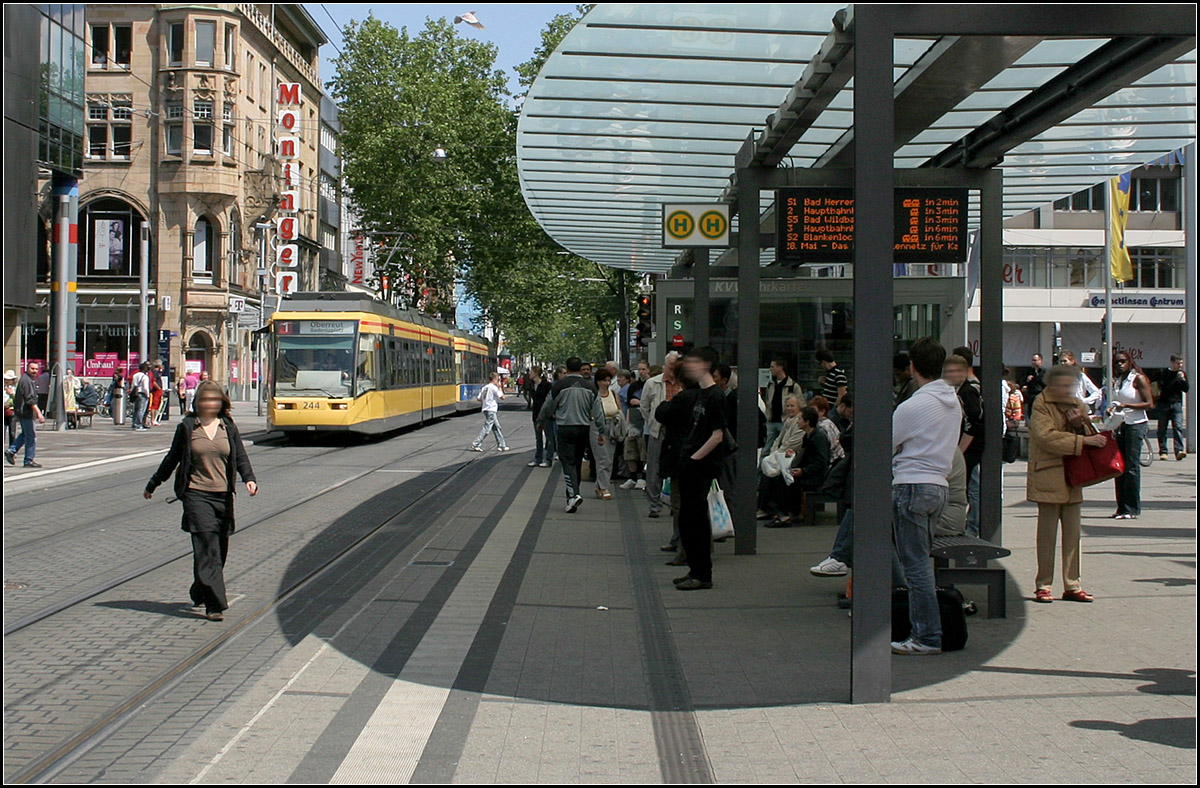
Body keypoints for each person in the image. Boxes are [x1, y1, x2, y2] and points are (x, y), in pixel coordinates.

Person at [143, 381, 258, 621]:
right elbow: (172, 458)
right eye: (205, 400)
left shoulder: (227, 426)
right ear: (197, 402)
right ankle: (215, 605)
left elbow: (240, 456)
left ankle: (200, 589)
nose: (209, 403)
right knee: (207, 547)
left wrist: (249, 478)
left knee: (219, 551)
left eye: (214, 399)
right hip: (196, 494)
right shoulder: (187, 427)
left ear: (221, 402)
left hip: (223, 496)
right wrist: (154, 483)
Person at [890, 337, 963, 656]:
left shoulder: (913, 406)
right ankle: (927, 631)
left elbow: (885, 442)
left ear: (912, 367)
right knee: (922, 562)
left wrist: (902, 448)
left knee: (915, 567)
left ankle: (926, 636)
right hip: (939, 486)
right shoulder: (953, 402)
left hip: (911, 485)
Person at [1028, 365, 1108, 603]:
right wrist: (1081, 441)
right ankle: (1043, 585)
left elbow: (1092, 434)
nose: (1066, 389)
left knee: (1073, 536)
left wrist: (1080, 426)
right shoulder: (1041, 403)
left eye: (1070, 385)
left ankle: (1073, 585)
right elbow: (1045, 437)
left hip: (1074, 477)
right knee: (1047, 536)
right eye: (1062, 385)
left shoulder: (1077, 404)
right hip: (1048, 475)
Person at [654, 346, 726, 591]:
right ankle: (695, 569)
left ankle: (702, 574)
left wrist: (694, 458)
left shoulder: (715, 395)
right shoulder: (702, 394)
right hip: (689, 464)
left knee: (695, 519)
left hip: (699, 466)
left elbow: (718, 434)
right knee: (688, 519)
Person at [544, 356, 605, 513]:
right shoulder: (590, 387)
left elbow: (548, 406)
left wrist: (544, 418)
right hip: (583, 428)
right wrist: (601, 431)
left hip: (565, 427)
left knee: (567, 462)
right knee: (576, 461)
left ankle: (573, 495)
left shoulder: (559, 386)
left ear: (567, 369)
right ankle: (572, 497)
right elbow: (598, 412)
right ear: (580, 369)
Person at [943, 354, 984, 537]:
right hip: (967, 447)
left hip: (970, 449)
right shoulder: (958, 392)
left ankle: (973, 526)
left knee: (972, 487)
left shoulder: (968, 392)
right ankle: (972, 524)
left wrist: (959, 451)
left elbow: (973, 423)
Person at [1110, 351, 1154, 520]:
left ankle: (1131, 508)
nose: (1119, 365)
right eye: (1116, 362)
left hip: (1136, 425)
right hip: (1121, 424)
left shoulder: (1138, 379)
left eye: (1123, 361)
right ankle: (1121, 507)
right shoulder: (1118, 380)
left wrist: (1127, 405)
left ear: (1130, 362)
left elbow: (1149, 404)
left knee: (1131, 467)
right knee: (1119, 467)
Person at [641, 352, 681, 520]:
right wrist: (653, 422)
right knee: (654, 467)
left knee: (676, 467)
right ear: (665, 365)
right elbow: (644, 407)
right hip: (658, 429)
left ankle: (674, 503)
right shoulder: (653, 383)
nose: (673, 369)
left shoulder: (684, 383)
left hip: (678, 430)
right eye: (671, 366)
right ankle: (655, 504)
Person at [5, 361, 45, 468]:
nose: (34, 371)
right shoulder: (26, 381)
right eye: (32, 368)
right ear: (27, 368)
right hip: (26, 413)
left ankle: (11, 450)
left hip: (23, 412)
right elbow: (30, 400)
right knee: (31, 436)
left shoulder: (28, 380)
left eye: (36, 369)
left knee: (25, 434)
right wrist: (39, 413)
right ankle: (28, 460)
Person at [590, 368, 621, 499]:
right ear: (598, 382)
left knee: (609, 458)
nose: (607, 383)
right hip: (597, 426)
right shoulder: (593, 395)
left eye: (609, 380)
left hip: (612, 426)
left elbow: (619, 409)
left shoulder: (613, 394)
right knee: (603, 458)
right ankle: (604, 487)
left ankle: (599, 486)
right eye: (604, 380)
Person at [621, 360, 650, 491]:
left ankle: (643, 477)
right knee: (630, 448)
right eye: (639, 369)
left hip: (646, 420)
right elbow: (629, 404)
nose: (641, 372)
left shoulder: (651, 385)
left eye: (643, 369)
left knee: (643, 449)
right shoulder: (633, 386)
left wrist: (640, 402)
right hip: (633, 419)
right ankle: (633, 477)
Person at [762, 358, 800, 450]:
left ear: (780, 368)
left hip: (785, 420)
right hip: (771, 420)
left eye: (772, 367)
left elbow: (800, 403)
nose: (770, 369)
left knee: (784, 444)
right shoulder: (771, 384)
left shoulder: (792, 386)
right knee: (767, 446)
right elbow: (767, 400)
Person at [1157, 353, 1188, 461]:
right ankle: (1163, 451)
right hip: (1163, 403)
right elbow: (1155, 385)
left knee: (1178, 427)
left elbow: (1186, 389)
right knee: (1162, 428)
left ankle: (1179, 450)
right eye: (1178, 363)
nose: (1180, 366)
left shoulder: (1181, 374)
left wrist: (1182, 380)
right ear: (1172, 362)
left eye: (1181, 363)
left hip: (1177, 403)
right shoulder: (1163, 373)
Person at [469, 372, 510, 452]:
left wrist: (486, 400)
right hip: (491, 409)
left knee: (496, 427)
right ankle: (476, 443)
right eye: (498, 380)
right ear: (495, 379)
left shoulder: (485, 387)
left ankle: (501, 445)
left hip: (486, 409)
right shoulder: (494, 388)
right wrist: (500, 387)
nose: (498, 381)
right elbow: (502, 397)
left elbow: (479, 398)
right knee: (487, 428)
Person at [527, 367, 553, 468]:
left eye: (531, 372)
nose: (529, 374)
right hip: (536, 414)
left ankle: (548, 459)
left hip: (546, 414)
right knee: (538, 438)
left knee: (549, 438)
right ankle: (538, 459)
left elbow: (550, 400)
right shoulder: (531, 385)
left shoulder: (546, 385)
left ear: (536, 373)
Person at [1002, 369, 1024, 464]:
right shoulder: (1015, 398)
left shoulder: (1011, 398)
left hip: (1006, 422)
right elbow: (1018, 412)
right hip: (1010, 422)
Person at [130, 361, 152, 431]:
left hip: (136, 393)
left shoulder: (135, 375)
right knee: (141, 410)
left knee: (136, 410)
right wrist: (148, 395)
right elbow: (145, 387)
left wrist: (132, 392)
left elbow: (133, 385)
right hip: (142, 394)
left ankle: (134, 424)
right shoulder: (145, 377)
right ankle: (138, 425)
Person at [4, 370, 18, 446]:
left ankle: (12, 449)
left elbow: (18, 400)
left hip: (12, 412)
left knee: (12, 433)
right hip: (4, 411)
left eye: (9, 379)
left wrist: (12, 394)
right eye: (6, 379)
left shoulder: (15, 388)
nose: (7, 381)